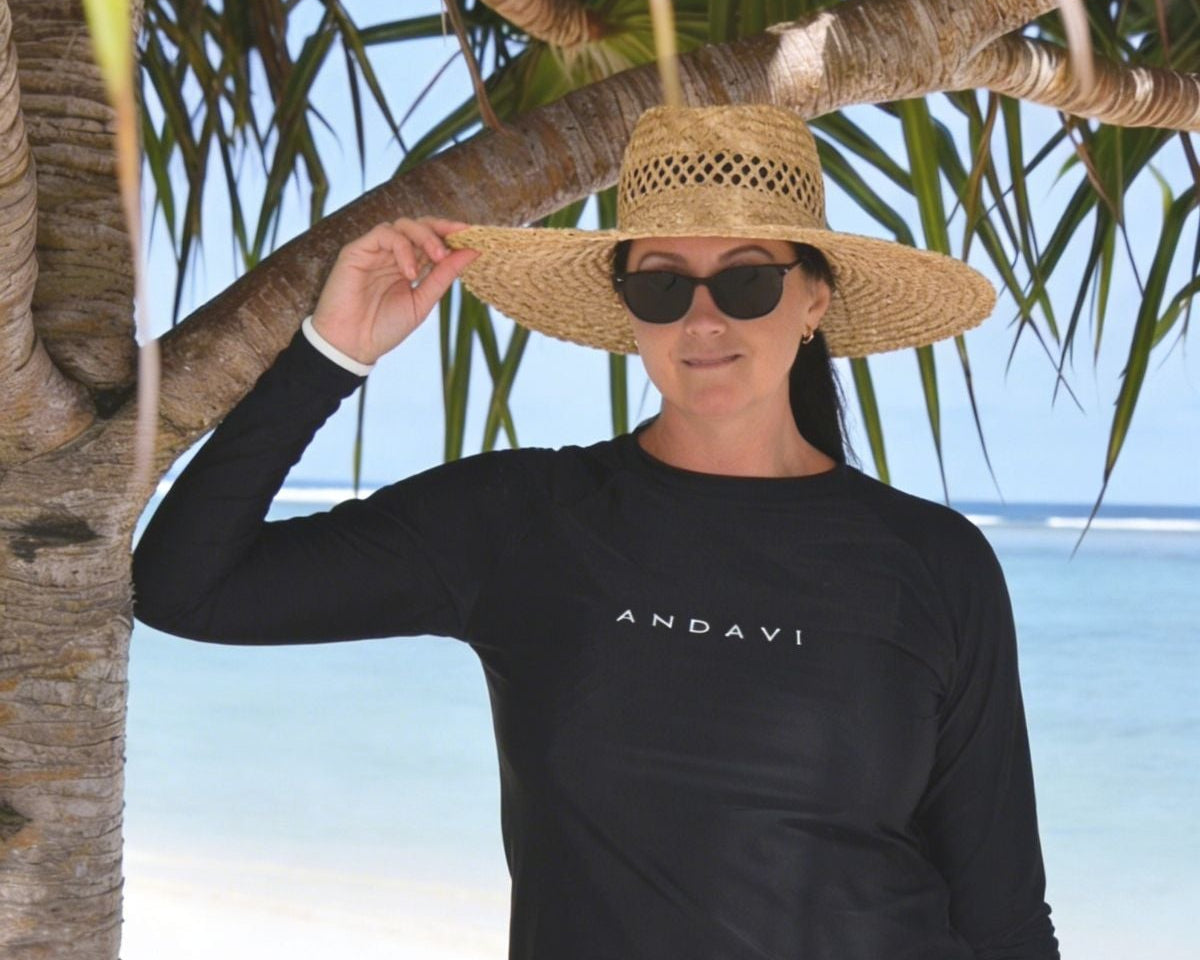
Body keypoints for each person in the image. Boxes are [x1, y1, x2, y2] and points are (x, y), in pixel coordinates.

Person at [132, 104, 1060, 959]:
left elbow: (1005, 917)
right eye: (662, 288)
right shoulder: (526, 519)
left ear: (815, 298)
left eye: (748, 281)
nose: (703, 318)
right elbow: (186, 586)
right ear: (627, 310)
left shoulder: (933, 564)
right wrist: (331, 356)